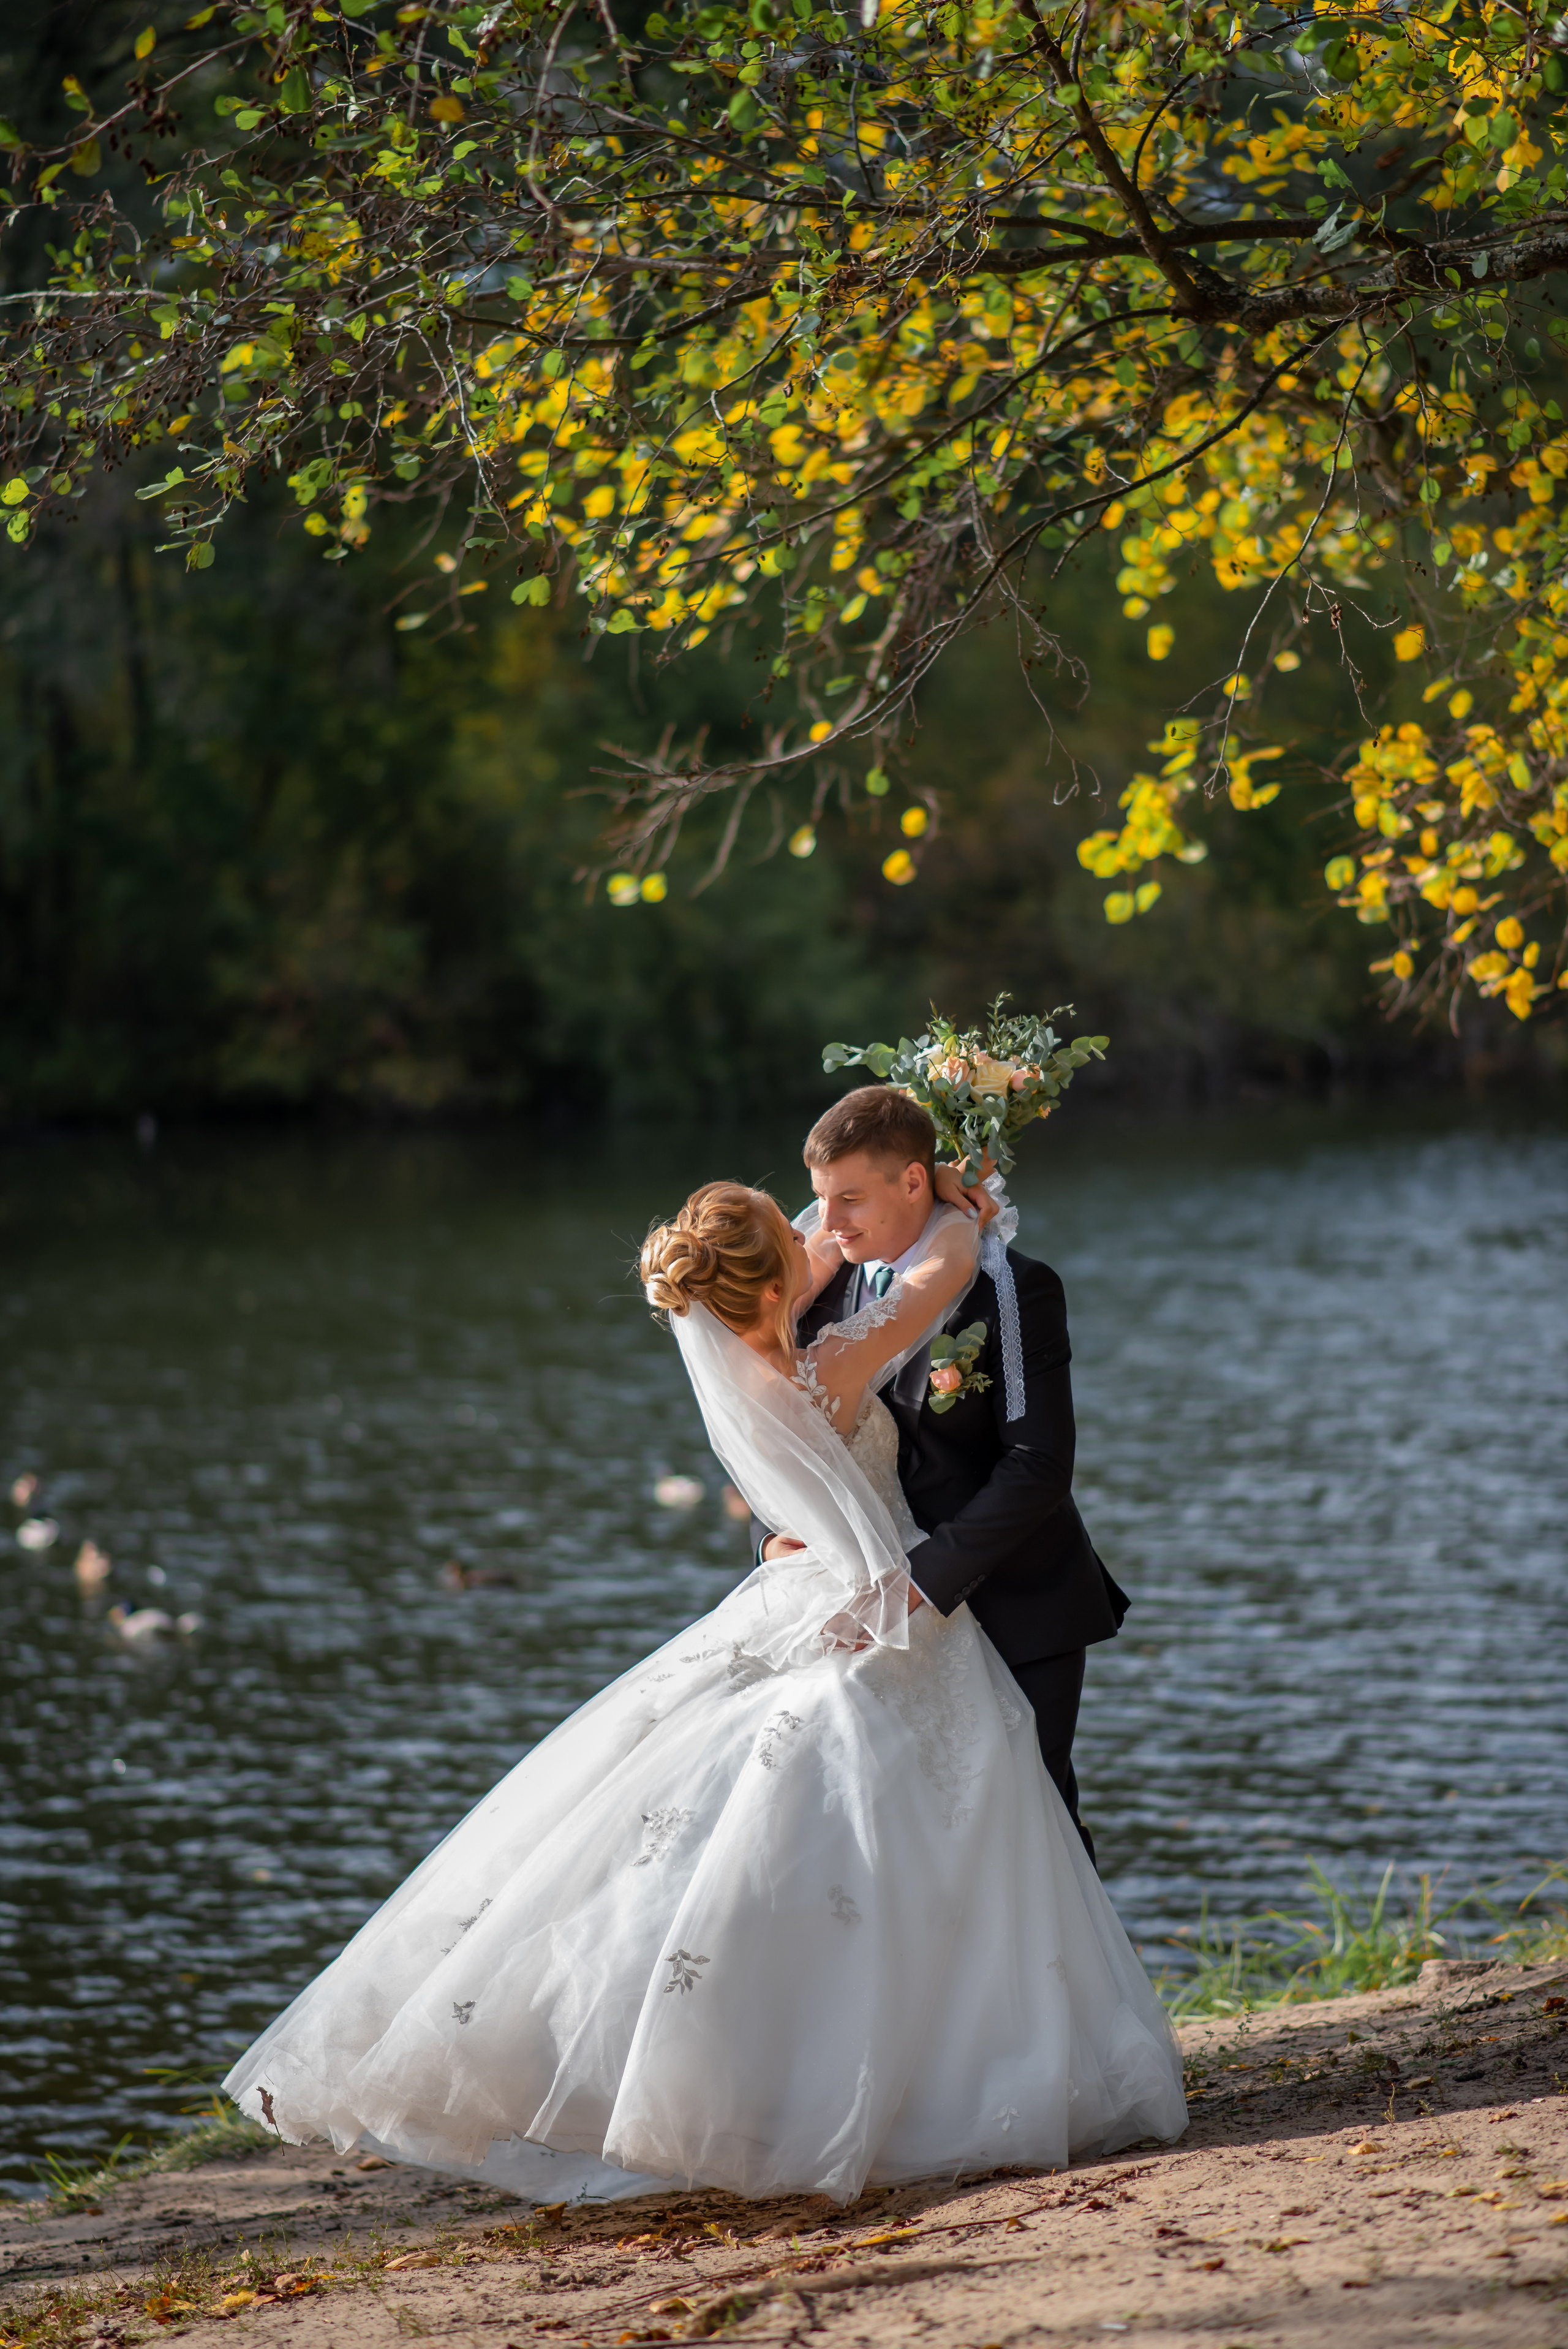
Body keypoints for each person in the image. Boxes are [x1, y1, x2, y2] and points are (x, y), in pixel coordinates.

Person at [224, 1179, 1184, 2206]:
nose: (822, 1231)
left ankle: (731, 2076)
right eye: (800, 1222)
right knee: (954, 1820)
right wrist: (959, 1197)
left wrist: (835, 1210)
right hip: (880, 1591)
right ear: (776, 1277)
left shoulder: (748, 1356)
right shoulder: (832, 1360)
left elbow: (809, 1246)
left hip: (799, 1575)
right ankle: (934, 2074)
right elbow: (944, 1262)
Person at [753, 1086, 1125, 1860]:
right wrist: (775, 1541)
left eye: (850, 1199)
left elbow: (1038, 1465)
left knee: (1034, 1833)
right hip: (872, 1622)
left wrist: (919, 1586)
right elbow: (775, 1439)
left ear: (915, 1183)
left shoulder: (1011, 1289)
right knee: (900, 1847)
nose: (830, 1222)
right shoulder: (822, 1291)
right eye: (822, 1200)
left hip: (1015, 1606)